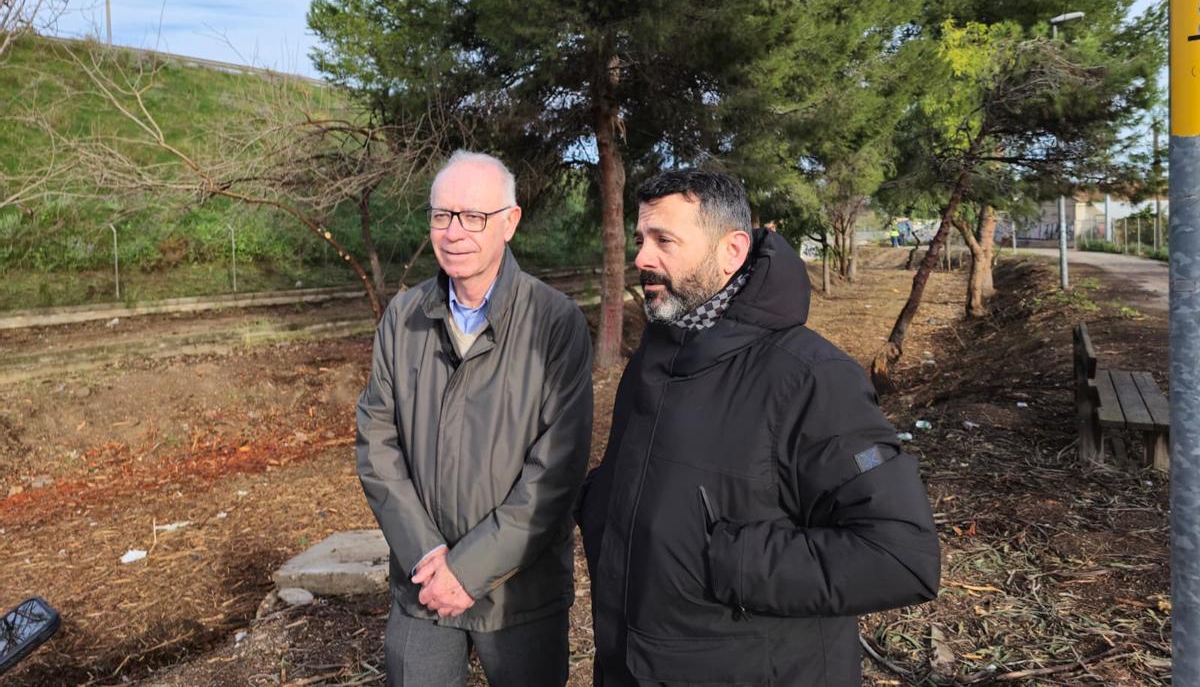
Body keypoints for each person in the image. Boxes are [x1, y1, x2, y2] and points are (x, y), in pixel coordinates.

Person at [579, 170, 940, 686]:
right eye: (640, 239)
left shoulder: (811, 377)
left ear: (732, 251)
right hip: (632, 664)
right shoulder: (654, 359)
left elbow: (900, 555)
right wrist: (599, 505)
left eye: (664, 240)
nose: (641, 258)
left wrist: (732, 560)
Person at [357, 150, 593, 687]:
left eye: (473, 217)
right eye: (442, 215)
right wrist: (426, 554)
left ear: (509, 223)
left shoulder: (554, 323)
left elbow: (556, 472)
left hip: (518, 593)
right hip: (423, 585)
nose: (454, 231)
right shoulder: (404, 317)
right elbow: (377, 442)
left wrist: (469, 570)